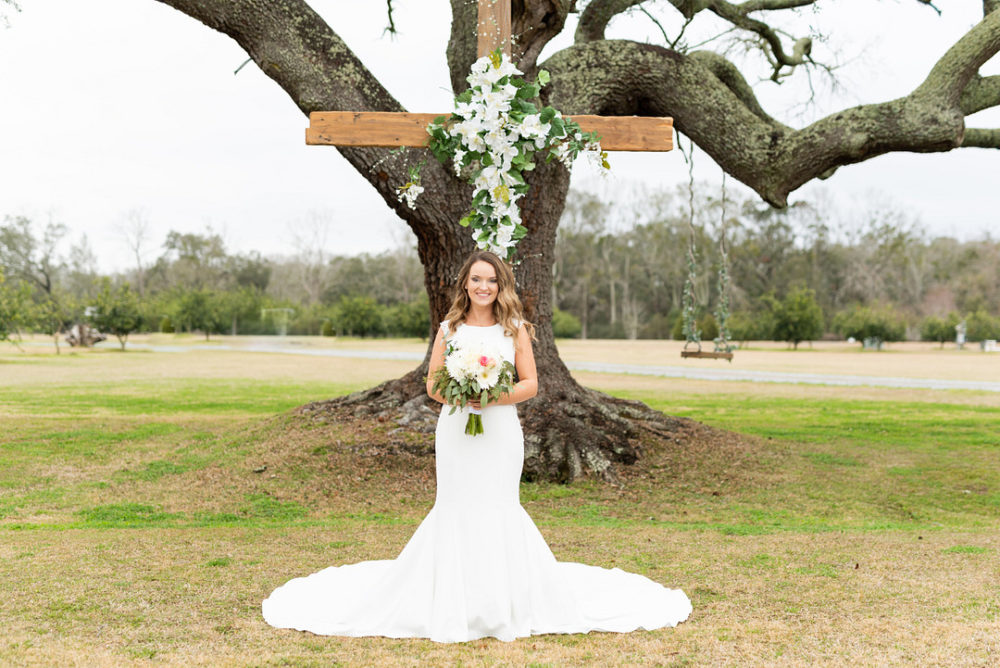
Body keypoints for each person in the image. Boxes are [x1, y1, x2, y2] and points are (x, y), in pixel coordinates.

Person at [262, 250, 692, 642]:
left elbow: (531, 383)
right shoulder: (449, 329)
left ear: (501, 285)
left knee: (499, 505)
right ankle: (452, 600)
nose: (483, 287)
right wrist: (459, 394)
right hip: (455, 431)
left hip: (501, 431)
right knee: (456, 506)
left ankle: (502, 603)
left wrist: (490, 396)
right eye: (476, 280)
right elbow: (431, 384)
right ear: (465, 285)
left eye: (491, 280)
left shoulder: (515, 329)